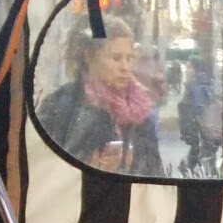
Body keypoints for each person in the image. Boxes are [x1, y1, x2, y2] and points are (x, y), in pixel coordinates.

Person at [36, 14, 162, 176]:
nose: (125, 67)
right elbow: (44, 173)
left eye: (129, 58)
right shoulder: (62, 106)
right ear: (88, 56)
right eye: (116, 58)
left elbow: (155, 174)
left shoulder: (140, 111)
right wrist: (93, 170)